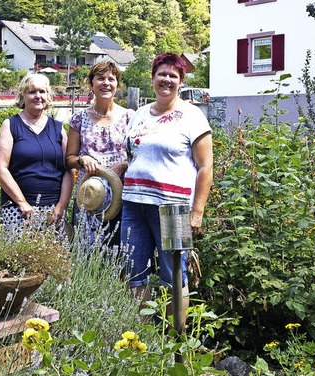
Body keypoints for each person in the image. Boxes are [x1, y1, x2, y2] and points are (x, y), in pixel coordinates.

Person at [121, 53, 213, 320]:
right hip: (134, 203)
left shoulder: (192, 116)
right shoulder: (139, 114)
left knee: (175, 273)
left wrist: (197, 212)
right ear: (152, 78)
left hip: (175, 208)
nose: (167, 79)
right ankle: (142, 336)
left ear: (181, 81)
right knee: (134, 272)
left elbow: (205, 167)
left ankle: (176, 340)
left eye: (173, 75)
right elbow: (134, 156)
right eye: (162, 73)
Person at [65, 61, 134, 249]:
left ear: (117, 85)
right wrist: (82, 159)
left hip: (121, 195)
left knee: (120, 255)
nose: (106, 83)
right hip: (89, 196)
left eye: (111, 79)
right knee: (86, 255)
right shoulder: (78, 119)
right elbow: (69, 159)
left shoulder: (129, 117)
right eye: (100, 78)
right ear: (91, 85)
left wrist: (123, 165)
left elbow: (137, 155)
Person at [0, 73, 73, 230]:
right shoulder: (10, 125)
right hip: (18, 210)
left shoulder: (58, 128)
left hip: (53, 211)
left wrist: (60, 207)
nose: (38, 96)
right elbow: (0, 168)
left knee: (54, 254)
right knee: (18, 254)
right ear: (23, 96)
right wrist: (23, 203)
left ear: (48, 95)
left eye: (42, 92)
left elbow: (68, 169)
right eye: (32, 92)